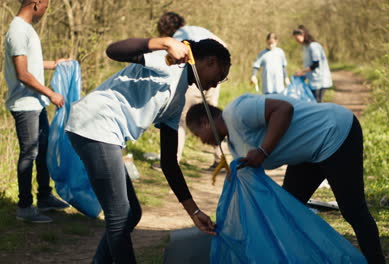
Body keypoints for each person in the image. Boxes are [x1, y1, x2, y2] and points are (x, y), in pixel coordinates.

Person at [65, 37, 231, 263]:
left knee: (131, 213)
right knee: (120, 216)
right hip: (95, 123)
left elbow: (169, 164)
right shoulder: (170, 63)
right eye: (220, 76)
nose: (216, 84)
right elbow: (113, 50)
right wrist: (164, 43)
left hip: (105, 133)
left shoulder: (177, 100)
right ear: (210, 61)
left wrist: (194, 212)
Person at [186, 94, 386, 263]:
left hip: (334, 132)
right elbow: (251, 190)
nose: (202, 141)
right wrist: (228, 220)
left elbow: (283, 109)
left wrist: (263, 151)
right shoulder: (234, 145)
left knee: (353, 211)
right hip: (307, 155)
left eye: (198, 135)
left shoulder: (237, 111)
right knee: (286, 212)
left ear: (205, 121)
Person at [4, 0, 70, 224]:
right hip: (24, 105)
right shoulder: (18, 31)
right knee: (29, 153)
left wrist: (54, 64)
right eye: (46, 6)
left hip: (35, 103)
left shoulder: (26, 29)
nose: (46, 10)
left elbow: (30, 63)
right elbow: (22, 74)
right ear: (36, 3)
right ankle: (24, 207)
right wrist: (51, 93)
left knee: (43, 150)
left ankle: (44, 197)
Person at [157, 11, 226, 169]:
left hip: (194, 78)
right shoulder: (199, 29)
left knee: (180, 117)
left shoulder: (177, 38)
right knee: (213, 117)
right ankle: (219, 159)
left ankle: (172, 160)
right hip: (214, 78)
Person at [292, 25, 332, 103]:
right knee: (314, 102)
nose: (297, 41)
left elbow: (315, 64)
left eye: (297, 38)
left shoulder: (314, 46)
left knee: (318, 102)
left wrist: (302, 71)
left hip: (320, 80)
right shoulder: (305, 47)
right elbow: (308, 64)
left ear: (303, 35)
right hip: (313, 80)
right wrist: (304, 75)